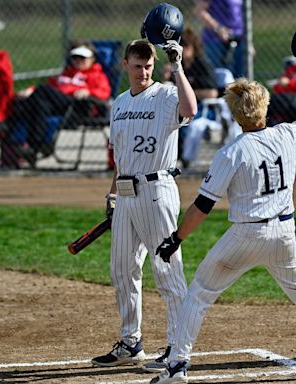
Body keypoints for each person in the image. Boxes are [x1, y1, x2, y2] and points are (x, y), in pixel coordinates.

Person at [148, 70, 296, 383]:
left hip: (246, 235)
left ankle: (177, 365)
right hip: (284, 233)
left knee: (199, 293)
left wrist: (177, 238)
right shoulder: (286, 134)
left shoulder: (231, 153)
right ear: (265, 108)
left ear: (235, 115)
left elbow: (203, 206)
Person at [90, 39, 197, 372]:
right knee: (122, 269)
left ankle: (177, 347)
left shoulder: (166, 95)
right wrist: (111, 195)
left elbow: (191, 110)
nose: (143, 72)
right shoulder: (119, 103)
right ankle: (130, 340)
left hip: (156, 190)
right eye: (137, 66)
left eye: (148, 66)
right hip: (125, 194)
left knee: (166, 271)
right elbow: (121, 157)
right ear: (125, 65)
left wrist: (177, 66)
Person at [6, 41, 111, 163]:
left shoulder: (97, 75)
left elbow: (105, 93)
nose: (78, 60)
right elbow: (49, 86)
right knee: (39, 104)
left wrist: (89, 92)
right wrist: (30, 90)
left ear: (92, 59)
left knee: (40, 93)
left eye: (82, 57)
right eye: (74, 57)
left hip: (76, 106)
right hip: (56, 105)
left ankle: (15, 139)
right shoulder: (66, 74)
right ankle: (35, 147)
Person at [164, 27, 219, 168]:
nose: (182, 49)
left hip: (203, 108)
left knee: (184, 123)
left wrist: (188, 93)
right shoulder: (178, 66)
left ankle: (184, 159)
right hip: (178, 106)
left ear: (194, 47)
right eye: (179, 46)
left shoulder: (202, 64)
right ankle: (170, 158)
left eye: (186, 46)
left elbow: (212, 92)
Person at [194, 0, 247, 78]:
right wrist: (218, 29)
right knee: (220, 78)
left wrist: (248, 43)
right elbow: (199, 10)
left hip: (239, 40)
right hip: (215, 41)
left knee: (240, 78)